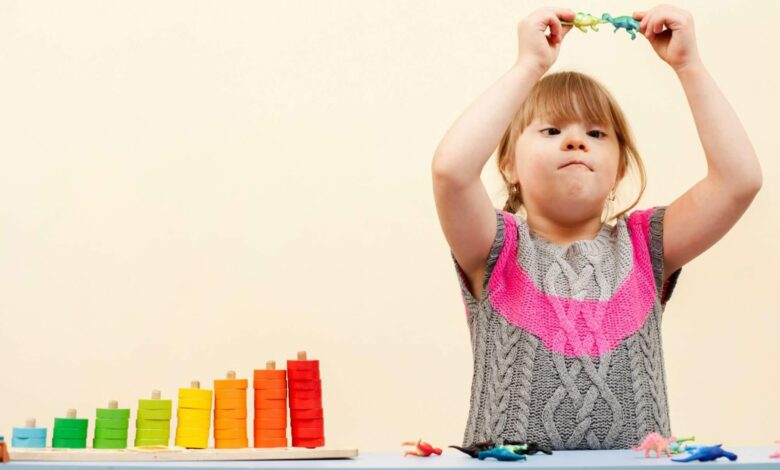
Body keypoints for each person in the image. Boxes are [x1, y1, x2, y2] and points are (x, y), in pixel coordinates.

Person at [431, 5, 762, 450]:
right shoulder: (496, 248)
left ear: (619, 166)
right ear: (508, 164)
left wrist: (690, 66)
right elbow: (451, 171)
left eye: (596, 134)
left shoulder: (646, 246)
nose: (575, 141)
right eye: (550, 130)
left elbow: (739, 181)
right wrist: (529, 66)